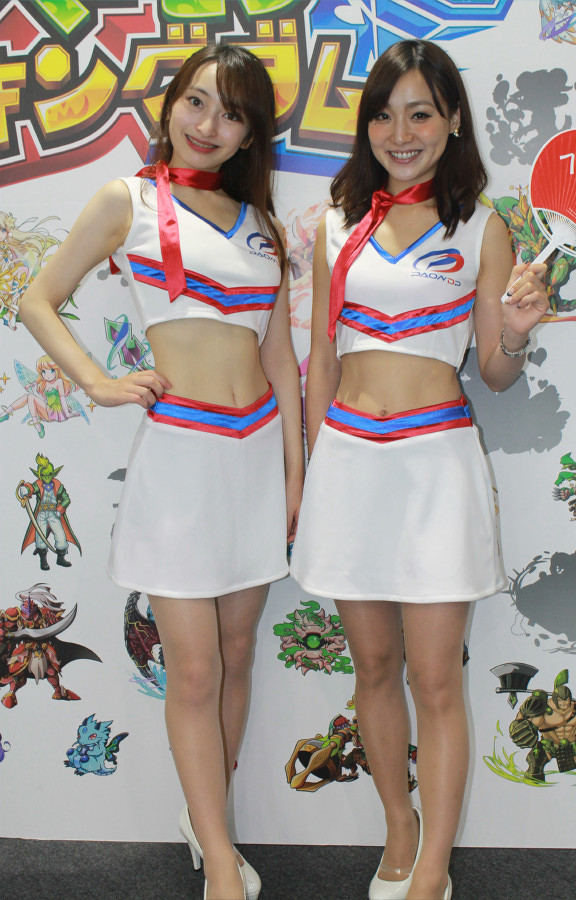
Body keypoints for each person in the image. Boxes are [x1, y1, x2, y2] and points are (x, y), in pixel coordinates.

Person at [20, 43, 303, 900]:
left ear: (250, 133)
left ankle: (205, 820)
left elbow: (281, 361)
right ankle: (221, 863)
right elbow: (37, 298)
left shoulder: (260, 223)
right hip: (180, 457)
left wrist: (296, 475)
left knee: (239, 651)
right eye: (197, 102)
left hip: (256, 454)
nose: (210, 125)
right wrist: (99, 383)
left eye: (233, 114)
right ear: (171, 104)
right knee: (195, 669)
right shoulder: (128, 199)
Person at [290, 39, 548, 900]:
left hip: (437, 467)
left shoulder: (482, 226)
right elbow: (322, 361)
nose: (400, 133)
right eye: (384, 115)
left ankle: (432, 869)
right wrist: (315, 474)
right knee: (371, 668)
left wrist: (517, 332)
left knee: (435, 679)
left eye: (420, 114)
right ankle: (397, 829)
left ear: (453, 121)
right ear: (366, 125)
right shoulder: (336, 224)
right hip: (350, 465)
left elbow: (495, 370)